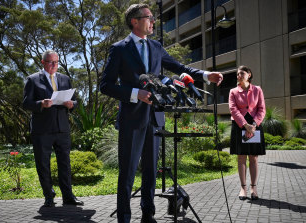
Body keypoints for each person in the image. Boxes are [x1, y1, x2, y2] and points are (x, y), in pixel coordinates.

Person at [100, 4, 223, 223]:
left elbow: (178, 67)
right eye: (149, 17)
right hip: (131, 119)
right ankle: (124, 218)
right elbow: (106, 86)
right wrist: (135, 93)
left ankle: (148, 214)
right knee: (127, 173)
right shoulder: (119, 48)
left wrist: (205, 74)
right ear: (134, 21)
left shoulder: (156, 47)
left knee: (151, 170)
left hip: (155, 117)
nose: (153, 21)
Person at [23, 50, 84, 207]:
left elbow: (75, 101)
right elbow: (26, 103)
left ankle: (68, 196)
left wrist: (72, 105)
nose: (54, 65)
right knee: (43, 164)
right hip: (42, 130)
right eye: (50, 62)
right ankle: (48, 196)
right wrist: (41, 104)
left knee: (65, 163)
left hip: (62, 128)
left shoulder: (65, 79)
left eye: (56, 62)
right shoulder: (33, 79)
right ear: (43, 62)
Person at [228, 65, 266, 201]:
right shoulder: (233, 91)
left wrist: (253, 125)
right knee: (241, 157)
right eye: (237, 74)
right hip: (239, 125)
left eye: (241, 73)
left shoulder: (258, 90)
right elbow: (233, 109)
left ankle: (253, 188)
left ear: (249, 74)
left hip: (255, 124)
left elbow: (262, 109)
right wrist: (245, 125)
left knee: (254, 157)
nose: (239, 76)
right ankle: (243, 188)